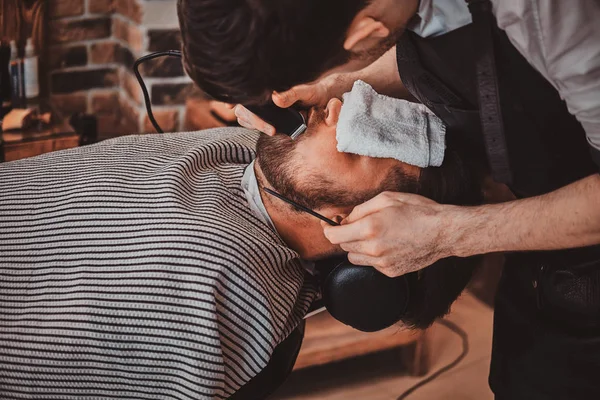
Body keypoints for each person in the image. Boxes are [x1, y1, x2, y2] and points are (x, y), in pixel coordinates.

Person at [177, 0, 600, 398]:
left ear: (364, 33)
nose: (339, 108)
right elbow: (449, 48)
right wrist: (335, 82)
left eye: (358, 145)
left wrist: (450, 233)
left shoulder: (556, 17)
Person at [0, 99, 484, 399]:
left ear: (358, 221)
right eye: (362, 106)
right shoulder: (243, 149)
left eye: (359, 143)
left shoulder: (218, 279)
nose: (333, 108)